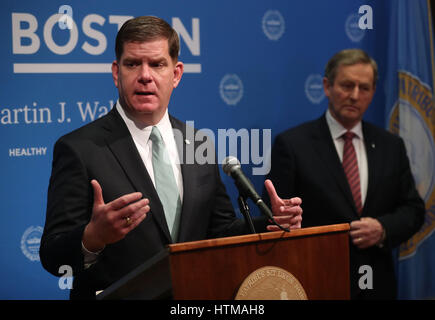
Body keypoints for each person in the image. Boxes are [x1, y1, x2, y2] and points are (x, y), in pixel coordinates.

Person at [40, 16, 303, 300]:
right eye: (132, 64)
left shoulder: (198, 142)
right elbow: (53, 256)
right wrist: (93, 237)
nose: (145, 75)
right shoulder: (79, 148)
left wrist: (270, 222)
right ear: (116, 72)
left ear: (176, 74)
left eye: (157, 64)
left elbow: (220, 232)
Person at [264, 49, 425, 299]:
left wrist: (383, 228)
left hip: (377, 285)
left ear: (373, 92)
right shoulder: (293, 144)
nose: (354, 96)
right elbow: (276, 217)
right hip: (315, 280)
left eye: (364, 88)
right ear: (327, 86)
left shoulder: (391, 146)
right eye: (347, 85)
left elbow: (414, 209)